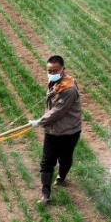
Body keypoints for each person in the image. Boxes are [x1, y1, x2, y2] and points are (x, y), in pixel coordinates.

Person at [29, 55, 82, 205]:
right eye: (49, 71)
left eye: (55, 70)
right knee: (46, 162)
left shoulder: (69, 89)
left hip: (69, 132)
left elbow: (58, 111)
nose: (51, 74)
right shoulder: (55, 82)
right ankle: (45, 195)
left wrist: (39, 121)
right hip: (52, 131)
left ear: (63, 69)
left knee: (65, 159)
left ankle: (61, 178)